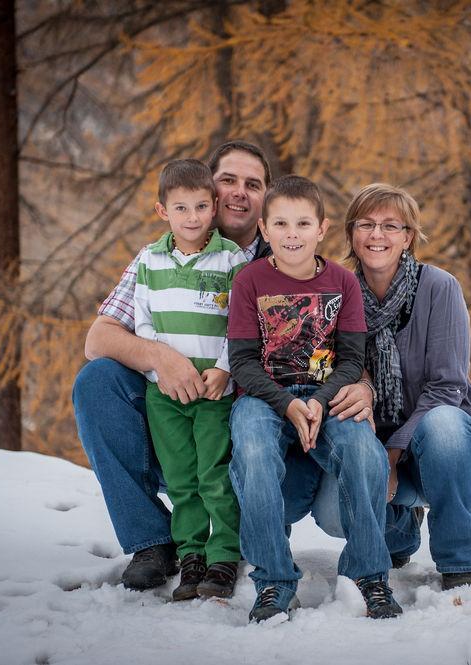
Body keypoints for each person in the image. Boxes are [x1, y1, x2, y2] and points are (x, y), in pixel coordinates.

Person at [73, 139, 375, 592]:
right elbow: (98, 337)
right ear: (207, 193)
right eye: (227, 180)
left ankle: (248, 543)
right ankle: (154, 541)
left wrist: (363, 381)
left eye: (253, 185)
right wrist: (161, 358)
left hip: (270, 421)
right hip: (183, 408)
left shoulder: (287, 256)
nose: (238, 192)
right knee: (97, 381)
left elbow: (338, 338)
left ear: (269, 202)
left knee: (279, 444)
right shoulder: (161, 255)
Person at [227, 175, 402, 623]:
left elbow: (350, 359)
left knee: (363, 449)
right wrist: (285, 404)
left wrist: (321, 401)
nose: (291, 234)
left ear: (321, 229)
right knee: (251, 448)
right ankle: (273, 580)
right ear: (264, 230)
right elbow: (243, 362)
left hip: (328, 395)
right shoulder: (250, 281)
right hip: (264, 400)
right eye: (281, 224)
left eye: (302, 223)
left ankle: (370, 574)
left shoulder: (343, 283)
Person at [311, 183, 471, 591]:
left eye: (390, 226)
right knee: (330, 512)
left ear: (408, 236)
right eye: (366, 224)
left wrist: (391, 460)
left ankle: (459, 562)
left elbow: (447, 387)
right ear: (351, 234)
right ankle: (398, 531)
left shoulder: (439, 287)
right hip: (371, 443)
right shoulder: (336, 294)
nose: (377, 235)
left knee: (444, 425)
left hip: (452, 449)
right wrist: (373, 459)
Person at [132, 159, 246, 600]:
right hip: (166, 394)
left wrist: (223, 368)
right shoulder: (149, 260)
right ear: (163, 211)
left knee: (214, 475)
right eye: (181, 209)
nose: (192, 217)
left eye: (201, 206)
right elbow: (142, 324)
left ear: (214, 207)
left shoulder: (230, 259)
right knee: (181, 478)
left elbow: (239, 325)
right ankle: (192, 553)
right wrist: (160, 369)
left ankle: (223, 556)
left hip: (214, 392)